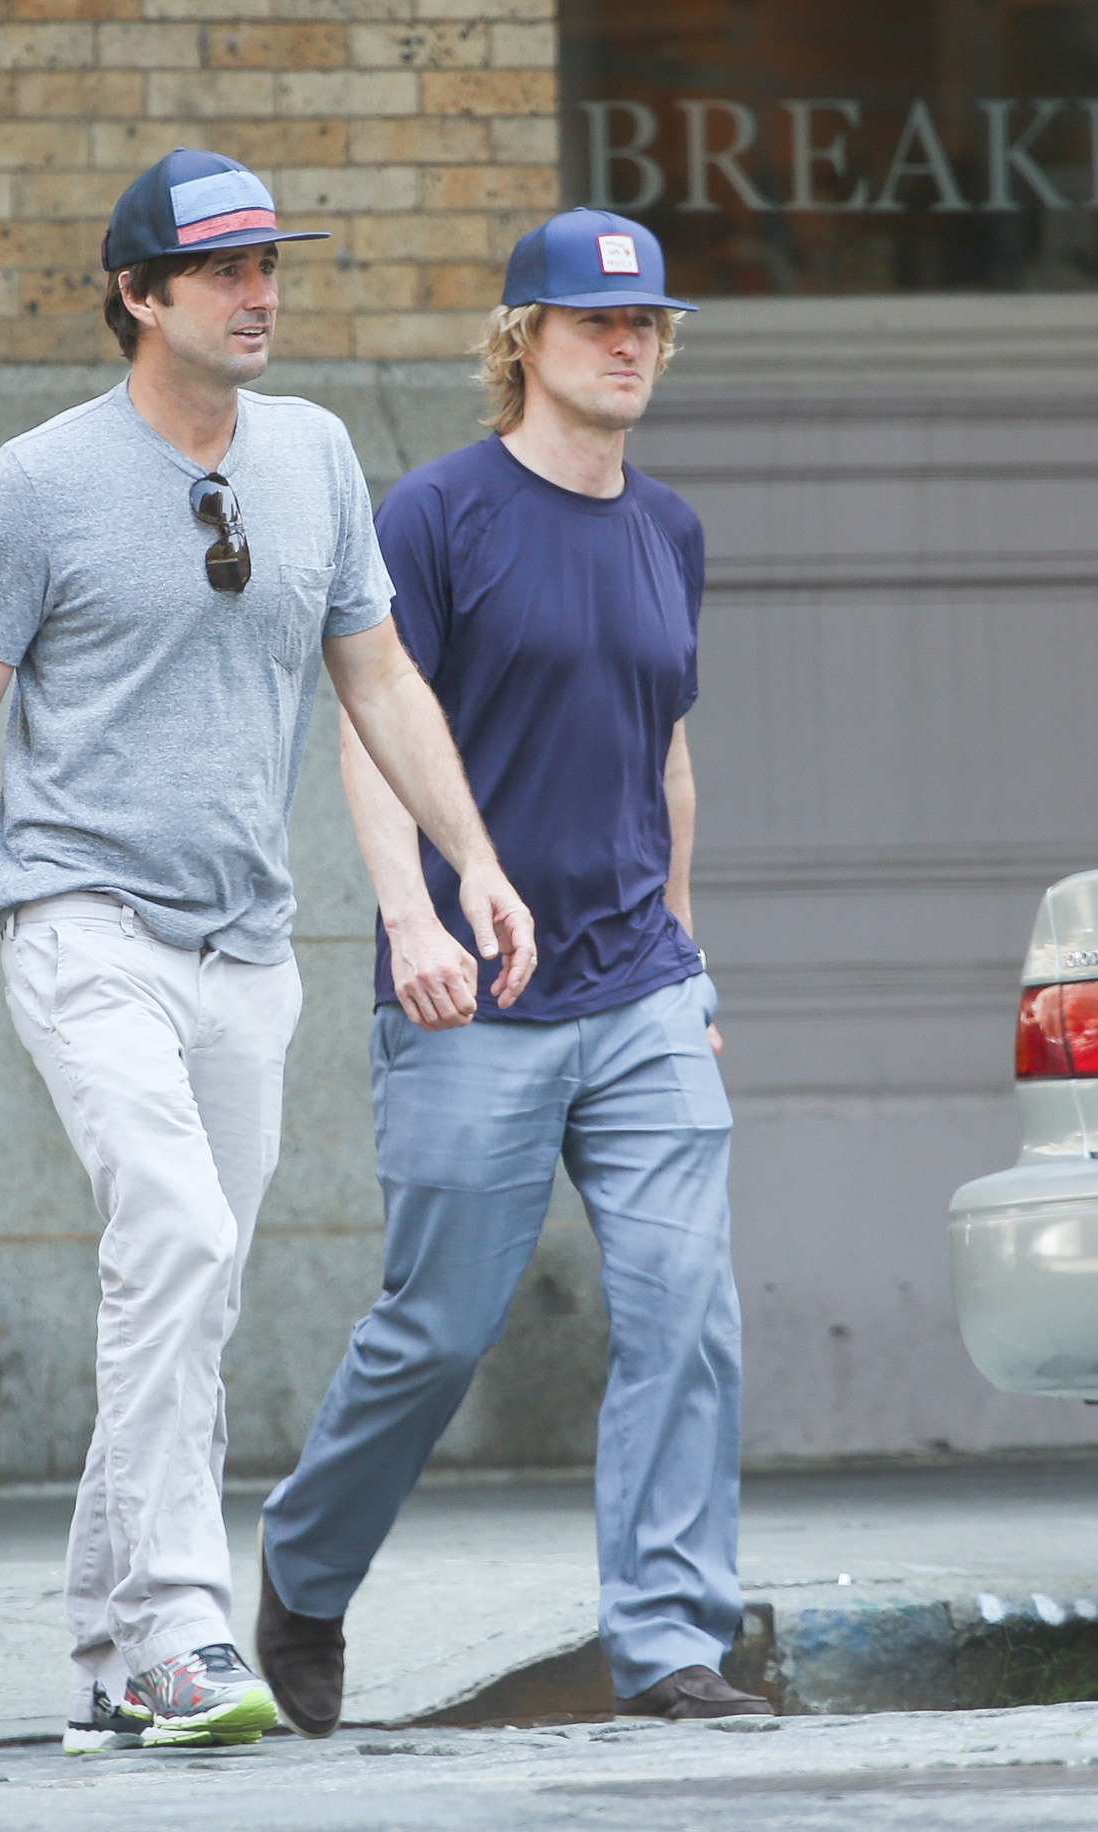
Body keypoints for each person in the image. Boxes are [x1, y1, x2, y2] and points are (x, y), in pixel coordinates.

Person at [0, 148, 534, 1754]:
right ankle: (180, 1626)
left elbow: (378, 681)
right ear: (138, 293)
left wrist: (473, 860)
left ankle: (110, 1660)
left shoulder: (309, 455)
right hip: (82, 918)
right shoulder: (41, 479)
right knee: (171, 1230)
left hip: (246, 944)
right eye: (223, 271)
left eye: (270, 265)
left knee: (194, 1285)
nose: (259, 294)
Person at [257, 210, 770, 1734]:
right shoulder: (437, 513)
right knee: (439, 1330)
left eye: (650, 328)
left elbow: (665, 749)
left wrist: (691, 953)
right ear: (524, 342)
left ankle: (671, 1643)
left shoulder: (670, 529)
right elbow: (364, 721)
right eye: (597, 324)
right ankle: (308, 1566)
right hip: (468, 993)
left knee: (689, 1309)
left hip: (642, 993)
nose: (630, 347)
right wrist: (409, 920)